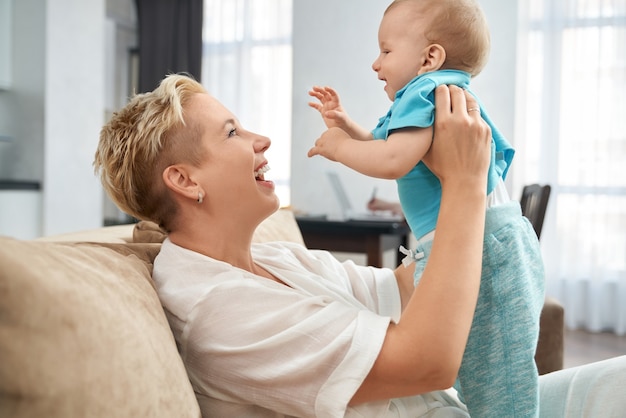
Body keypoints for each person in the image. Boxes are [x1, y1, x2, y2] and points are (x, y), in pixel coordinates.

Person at [94, 74, 626, 417]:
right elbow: (428, 362)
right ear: (185, 181)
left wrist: (439, 184)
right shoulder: (214, 310)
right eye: (232, 133)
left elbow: (405, 290)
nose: (262, 140)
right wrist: (463, 186)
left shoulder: (274, 259)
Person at [307, 0, 544, 416]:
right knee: (485, 369)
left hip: (485, 246)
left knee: (500, 385)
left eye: (386, 50)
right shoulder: (426, 96)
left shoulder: (428, 90)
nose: (375, 64)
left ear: (429, 57)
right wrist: (346, 125)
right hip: (480, 240)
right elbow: (386, 147)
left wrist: (339, 148)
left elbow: (393, 160)